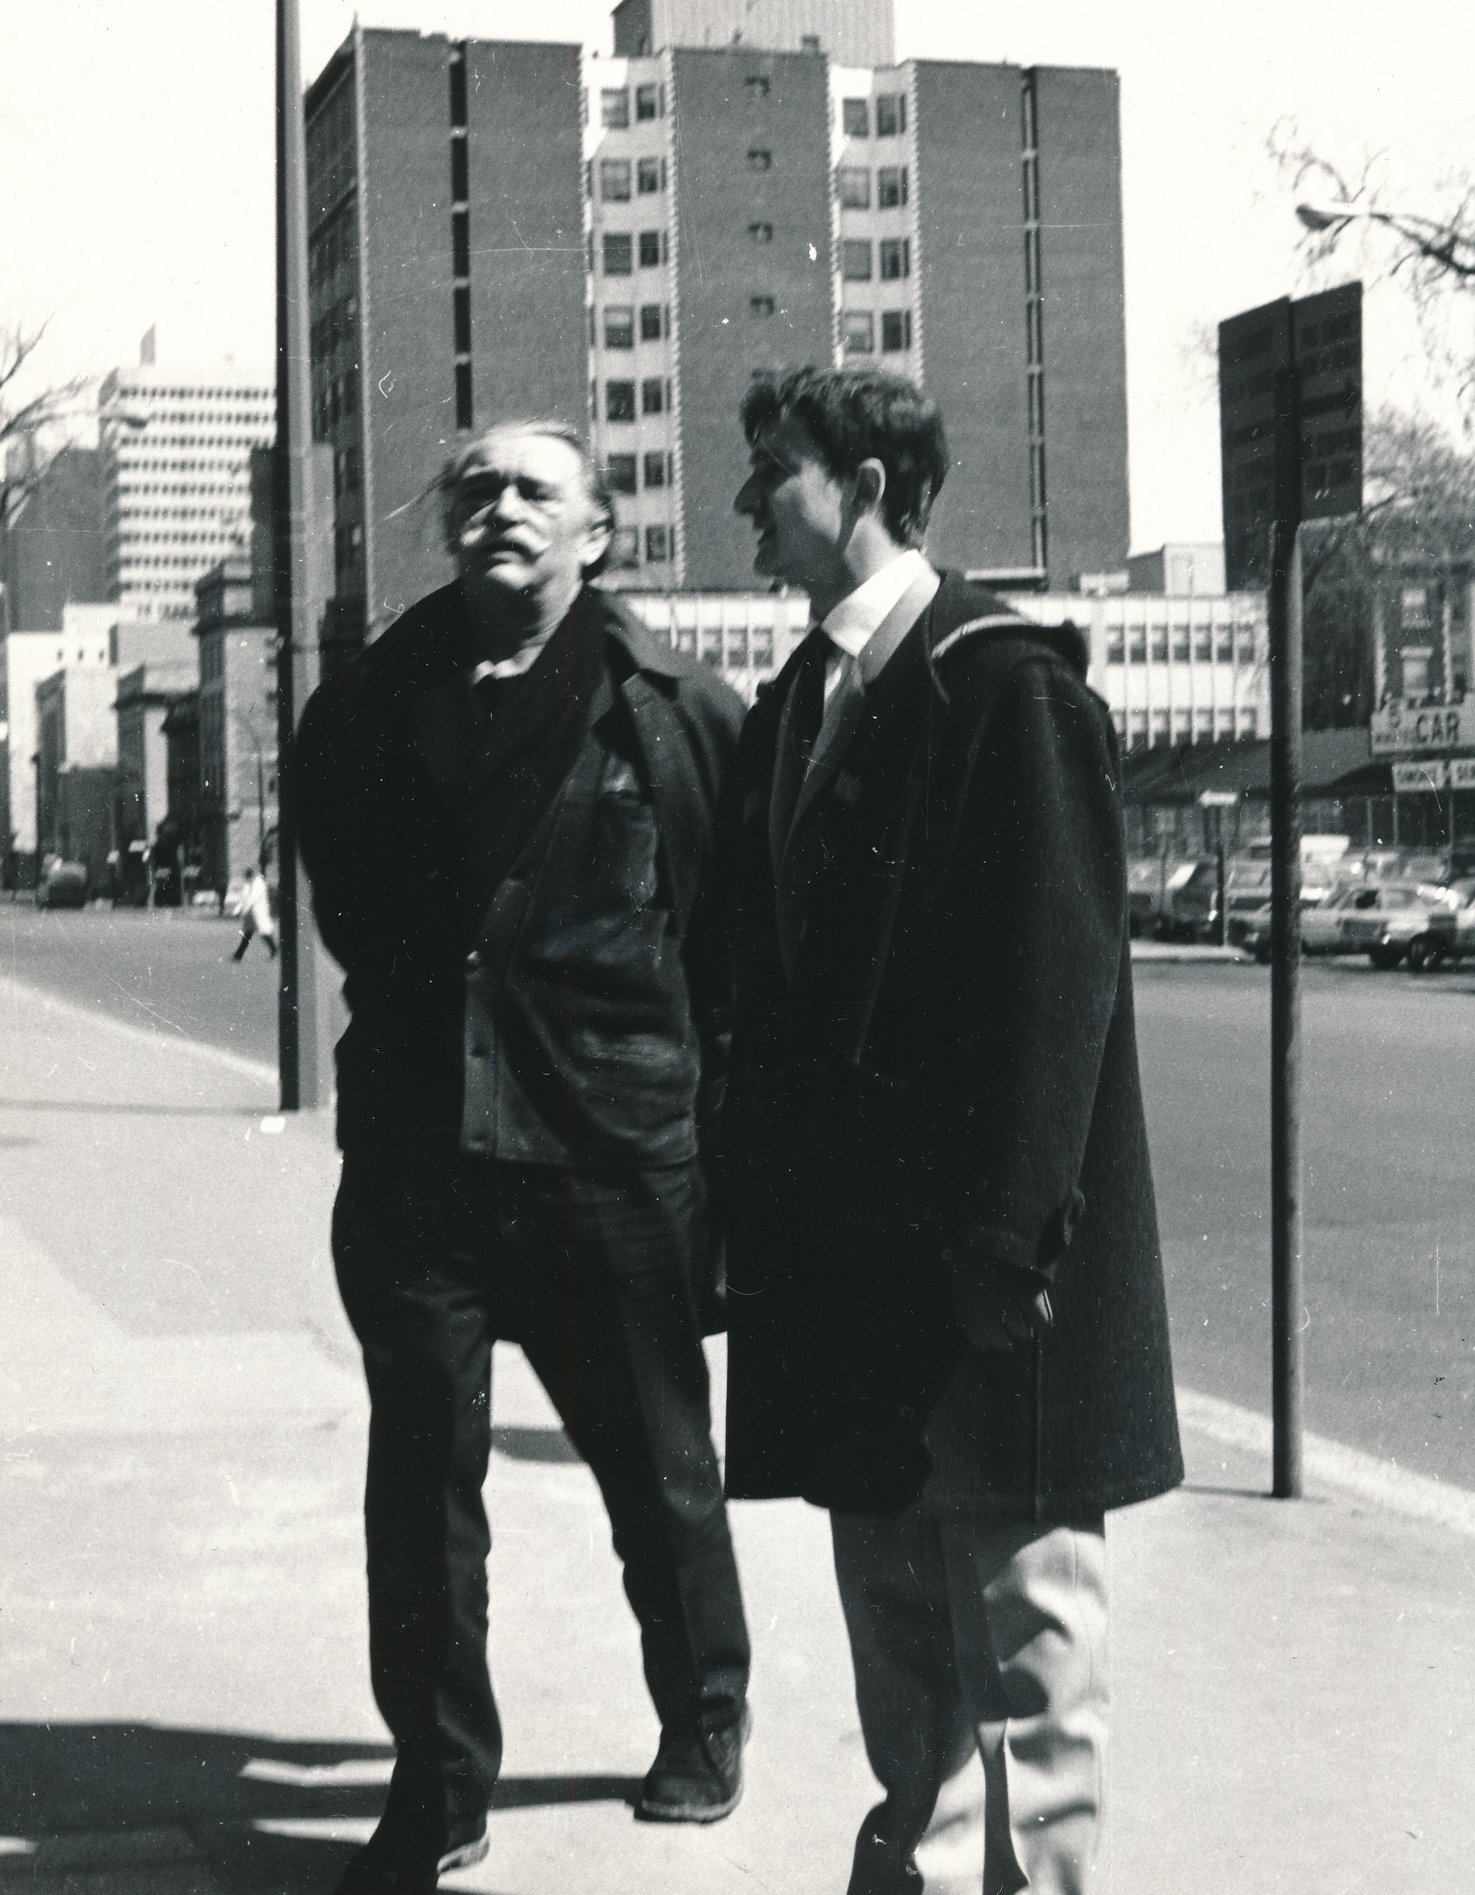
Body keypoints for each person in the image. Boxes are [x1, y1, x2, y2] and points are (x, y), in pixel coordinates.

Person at [719, 367, 1183, 1894]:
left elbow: (1060, 991)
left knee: (1030, 1678)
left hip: (988, 1291)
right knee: (904, 1682)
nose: (746, 500)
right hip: (855, 1289)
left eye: (774, 469)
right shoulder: (795, 705)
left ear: (867, 486)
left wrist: (1004, 1245)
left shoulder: (1003, 685)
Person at [294, 419, 751, 1895]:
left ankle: (705, 1715)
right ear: (448, 522)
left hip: (609, 1159)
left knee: (659, 1471)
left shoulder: (674, 708)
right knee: (419, 1496)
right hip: (420, 1163)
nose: (500, 505)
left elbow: (724, 938)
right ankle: (436, 1787)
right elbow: (349, 904)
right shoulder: (368, 707)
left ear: (596, 532)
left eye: (535, 489)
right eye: (476, 486)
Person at [230, 865, 277, 960]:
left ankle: (274, 949)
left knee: (263, 932)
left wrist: (242, 910)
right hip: (250, 915)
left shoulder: (259, 884)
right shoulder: (248, 884)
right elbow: (243, 898)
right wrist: (237, 910)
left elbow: (252, 898)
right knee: (248, 934)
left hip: (259, 912)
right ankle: (238, 955)